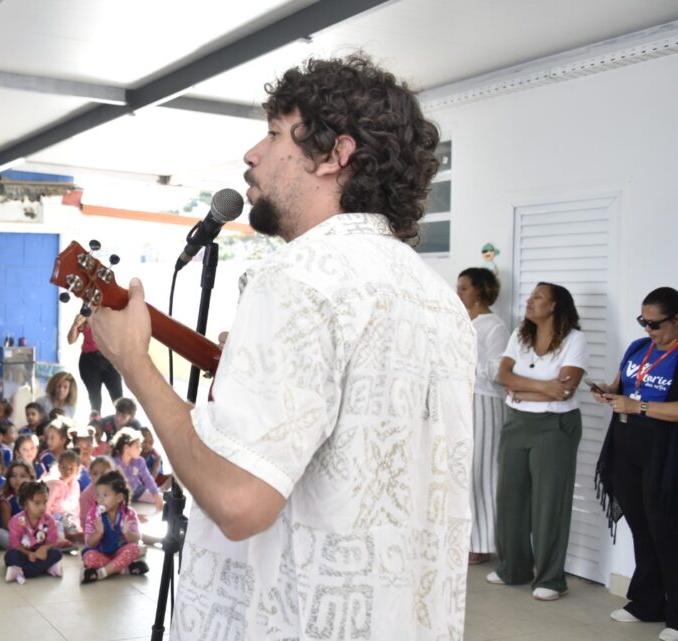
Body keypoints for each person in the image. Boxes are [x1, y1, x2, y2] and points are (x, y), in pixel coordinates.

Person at [88, 54, 475, 638]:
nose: (252, 154)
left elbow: (239, 501)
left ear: (333, 155)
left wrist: (133, 363)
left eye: (273, 134)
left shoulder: (297, 278)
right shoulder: (438, 299)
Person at [490, 282, 587, 600]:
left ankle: (549, 579)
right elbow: (503, 377)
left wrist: (524, 388)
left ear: (555, 305)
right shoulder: (520, 336)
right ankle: (513, 569)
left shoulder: (575, 339)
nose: (529, 301)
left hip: (554, 426)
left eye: (537, 297)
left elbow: (565, 389)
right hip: (516, 423)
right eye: (531, 296)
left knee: (549, 504)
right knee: (510, 498)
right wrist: (544, 386)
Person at [595, 287, 678, 640]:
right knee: (641, 528)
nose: (649, 330)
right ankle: (646, 602)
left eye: (656, 324)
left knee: (668, 531)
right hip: (627, 448)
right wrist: (606, 391)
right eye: (643, 321)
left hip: (663, 451)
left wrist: (637, 407)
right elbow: (622, 386)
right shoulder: (637, 349)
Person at [456, 267, 510, 565]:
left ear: (479, 290)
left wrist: (466, 362)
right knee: (464, 472)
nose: (459, 292)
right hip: (464, 401)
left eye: (463, 288)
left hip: (486, 403)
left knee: (483, 472)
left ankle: (484, 543)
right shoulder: (464, 321)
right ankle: (467, 538)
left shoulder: (494, 326)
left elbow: (498, 370)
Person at [81, 470, 145, 583]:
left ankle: (102, 573)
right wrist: (98, 533)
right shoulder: (93, 514)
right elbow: (89, 543)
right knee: (89, 558)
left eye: (105, 495)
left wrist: (127, 532)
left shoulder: (128, 513)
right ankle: (123, 568)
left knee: (135, 549)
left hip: (119, 552)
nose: (100, 499)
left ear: (119, 497)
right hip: (100, 553)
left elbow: (137, 539)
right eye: (98, 495)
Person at [4, 480, 63, 583]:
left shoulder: (49, 520)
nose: (42, 507)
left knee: (57, 553)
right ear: (25, 503)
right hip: (23, 553)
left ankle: (20, 571)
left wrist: (44, 548)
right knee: (10, 556)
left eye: (45, 502)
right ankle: (46, 568)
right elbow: (15, 544)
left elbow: (53, 540)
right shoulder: (16, 520)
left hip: (41, 554)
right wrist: (28, 554)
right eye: (37, 503)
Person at [68, 312, 124, 418]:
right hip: (89, 360)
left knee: (118, 399)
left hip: (109, 358)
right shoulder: (83, 317)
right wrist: (75, 324)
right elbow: (71, 340)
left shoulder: (111, 315)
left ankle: (124, 428)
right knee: (95, 400)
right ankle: (96, 428)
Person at [109, 427, 164, 510]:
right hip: (120, 494)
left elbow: (147, 478)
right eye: (137, 447)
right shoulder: (114, 463)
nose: (140, 449)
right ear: (126, 448)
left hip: (137, 491)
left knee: (160, 497)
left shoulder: (139, 461)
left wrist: (155, 494)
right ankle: (129, 513)